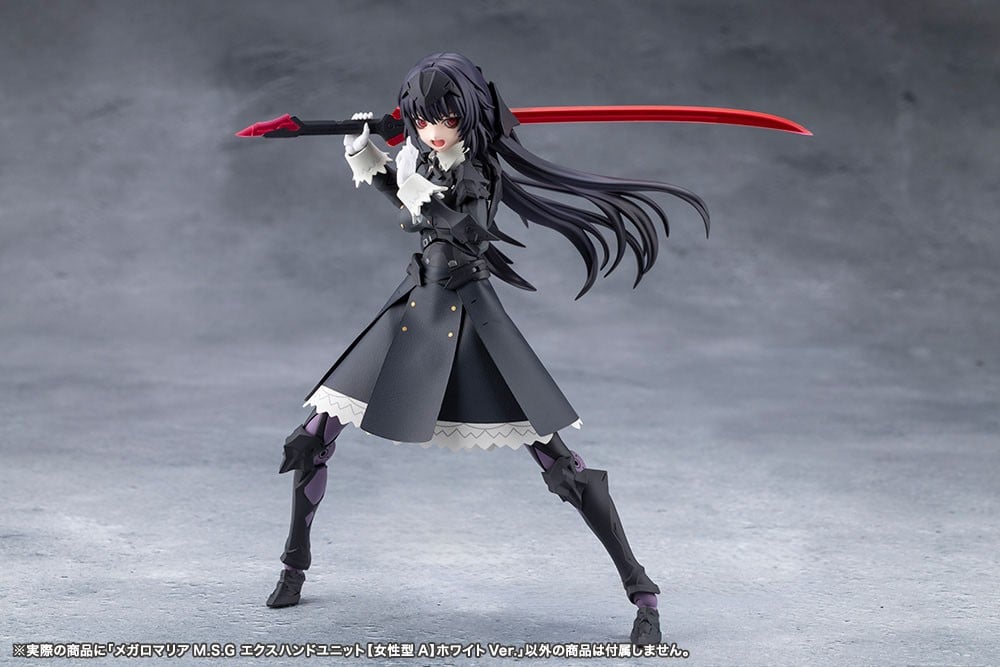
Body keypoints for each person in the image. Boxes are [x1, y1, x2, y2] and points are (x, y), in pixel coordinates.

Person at [265, 52, 710, 646]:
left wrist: (410, 183)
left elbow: (464, 229)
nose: (432, 130)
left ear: (470, 115)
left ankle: (642, 591)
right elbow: (415, 211)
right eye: (423, 119)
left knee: (559, 464)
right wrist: (368, 159)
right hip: (413, 307)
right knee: (313, 435)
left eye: (445, 118)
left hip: (468, 314)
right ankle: (294, 564)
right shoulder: (427, 159)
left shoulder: (476, 171)